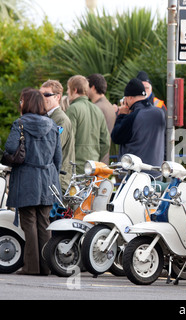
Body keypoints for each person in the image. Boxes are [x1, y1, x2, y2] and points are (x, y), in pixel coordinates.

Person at [4, 89, 62, 275]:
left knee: (28, 221)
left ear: (26, 103)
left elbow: (11, 147)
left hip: (26, 178)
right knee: (44, 223)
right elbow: (58, 158)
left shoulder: (20, 123)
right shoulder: (53, 125)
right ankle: (46, 267)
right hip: (47, 178)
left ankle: (31, 267)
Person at [111, 78, 165, 177]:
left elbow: (116, 137)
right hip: (155, 173)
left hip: (134, 175)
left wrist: (121, 115)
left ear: (130, 98)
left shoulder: (132, 117)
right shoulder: (159, 113)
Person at [65, 75, 110, 173]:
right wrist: (96, 156)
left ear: (75, 90)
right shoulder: (97, 109)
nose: (67, 92)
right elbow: (106, 141)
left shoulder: (73, 109)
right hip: (93, 166)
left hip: (76, 168)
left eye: (68, 89)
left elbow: (68, 139)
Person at [40, 80, 75, 192]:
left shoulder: (61, 119)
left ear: (57, 97)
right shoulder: (46, 117)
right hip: (50, 178)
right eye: (40, 94)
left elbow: (52, 148)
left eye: (46, 94)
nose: (42, 98)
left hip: (59, 180)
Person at [87, 73, 116, 164]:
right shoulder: (109, 106)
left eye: (86, 86)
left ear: (93, 88)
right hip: (104, 159)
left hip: (95, 161)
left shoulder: (96, 108)